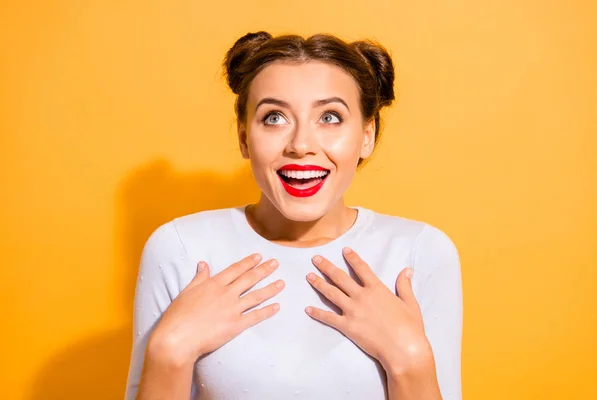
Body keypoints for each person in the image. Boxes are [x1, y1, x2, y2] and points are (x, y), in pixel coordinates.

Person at [124, 31, 463, 400]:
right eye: (274, 118)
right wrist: (168, 351)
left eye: (330, 117)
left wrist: (410, 360)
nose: (301, 145)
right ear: (243, 137)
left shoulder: (419, 251)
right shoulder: (180, 247)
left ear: (367, 135)